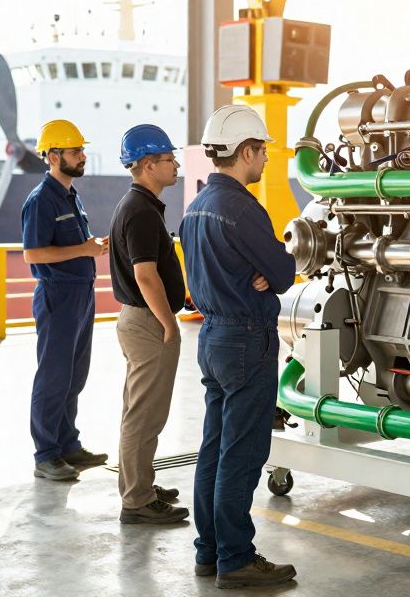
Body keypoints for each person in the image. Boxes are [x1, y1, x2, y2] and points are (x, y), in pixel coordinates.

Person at [180, 105, 297, 588]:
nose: (267, 158)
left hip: (212, 336)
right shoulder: (243, 209)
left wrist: (258, 276)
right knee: (243, 452)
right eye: (263, 149)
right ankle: (236, 559)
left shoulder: (197, 206)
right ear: (245, 151)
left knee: (213, 448)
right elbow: (286, 274)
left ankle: (208, 551)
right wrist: (268, 274)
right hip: (247, 338)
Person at [109, 125, 189, 524]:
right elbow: (145, 275)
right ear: (146, 165)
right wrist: (169, 324)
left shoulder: (138, 204)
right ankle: (137, 501)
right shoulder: (140, 210)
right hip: (147, 323)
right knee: (145, 415)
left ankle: (138, 484)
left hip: (138, 319)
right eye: (168, 159)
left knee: (137, 411)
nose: (175, 165)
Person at [22, 119, 109, 481]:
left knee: (75, 375)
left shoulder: (71, 195)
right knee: (54, 376)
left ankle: (68, 445)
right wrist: (84, 249)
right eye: (76, 152)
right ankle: (46, 454)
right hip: (58, 295)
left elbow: (74, 247)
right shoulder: (41, 199)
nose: (82, 156)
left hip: (81, 293)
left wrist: (90, 249)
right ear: (54, 156)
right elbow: (33, 254)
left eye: (81, 150)